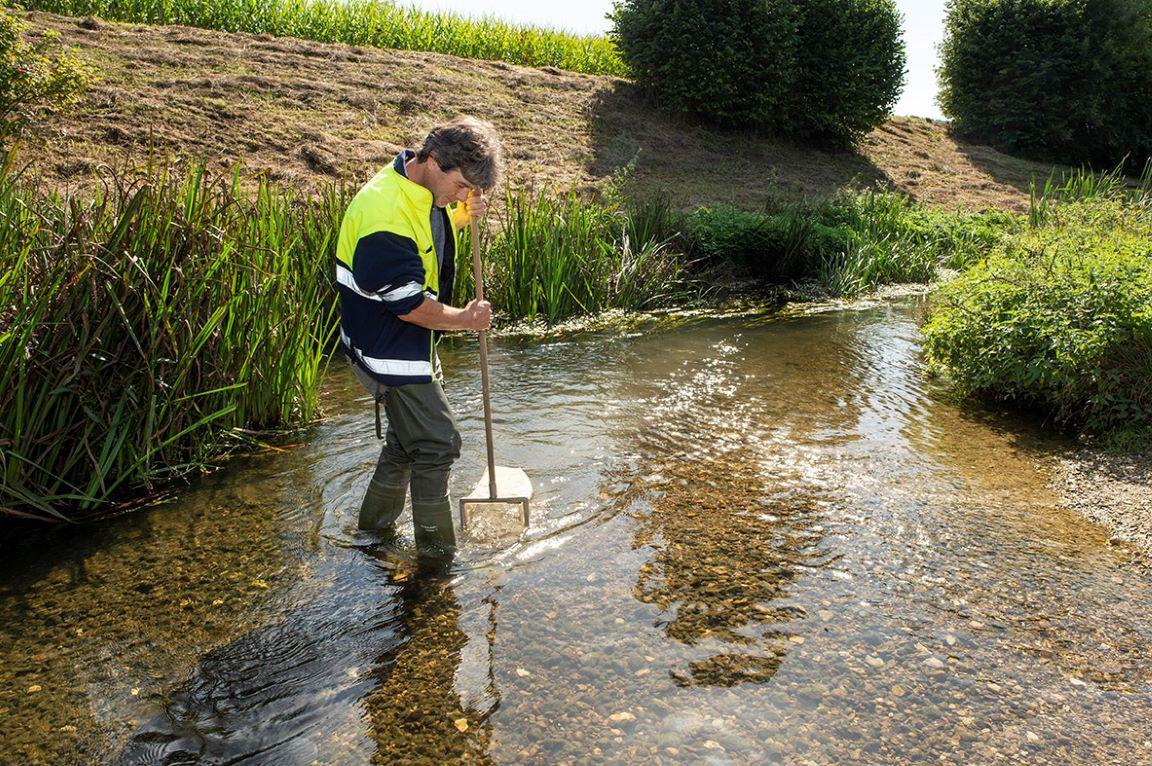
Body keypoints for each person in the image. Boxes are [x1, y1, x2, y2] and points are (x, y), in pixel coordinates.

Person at [335, 116, 504, 553]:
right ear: (433, 160)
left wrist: (462, 213)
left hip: (404, 343)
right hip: (387, 346)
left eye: (471, 192)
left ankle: (372, 535)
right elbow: (409, 307)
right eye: (463, 186)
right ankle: (436, 558)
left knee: (404, 442)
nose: (464, 196)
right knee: (435, 443)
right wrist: (466, 319)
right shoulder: (383, 214)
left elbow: (428, 232)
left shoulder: (421, 191)